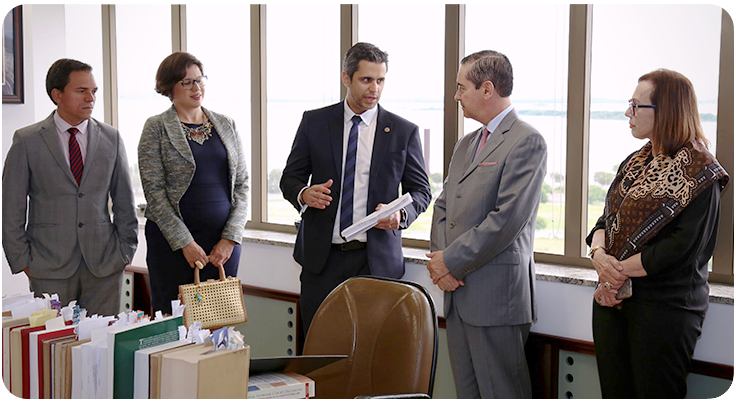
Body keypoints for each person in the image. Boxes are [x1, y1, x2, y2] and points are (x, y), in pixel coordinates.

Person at [587, 69, 729, 399]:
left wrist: (613, 273)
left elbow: (680, 248)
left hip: (664, 311)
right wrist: (598, 256)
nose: (628, 113)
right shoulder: (636, 162)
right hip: (613, 303)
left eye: (636, 106)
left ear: (666, 111)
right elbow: (605, 221)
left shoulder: (701, 170)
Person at [280, 42, 432, 335]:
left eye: (381, 80)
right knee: (320, 346)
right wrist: (303, 193)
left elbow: (421, 192)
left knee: (371, 353)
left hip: (375, 263)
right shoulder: (315, 122)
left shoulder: (403, 131)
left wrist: (400, 216)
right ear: (346, 78)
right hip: (321, 262)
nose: (374, 88)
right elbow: (290, 178)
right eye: (366, 80)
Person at [427, 50, 547, 399]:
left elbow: (506, 221)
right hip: (457, 294)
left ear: (487, 89)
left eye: (461, 87)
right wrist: (439, 262)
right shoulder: (467, 143)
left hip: (497, 299)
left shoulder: (527, 140)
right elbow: (444, 205)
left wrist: (449, 261)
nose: (456, 96)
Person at [0, 59, 138, 316]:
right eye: (81, 90)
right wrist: (25, 263)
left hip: (105, 266)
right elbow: (10, 210)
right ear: (57, 94)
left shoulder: (112, 138)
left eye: (94, 91)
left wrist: (125, 253)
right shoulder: (27, 140)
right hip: (48, 267)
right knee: (53, 347)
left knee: (100, 347)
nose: (91, 98)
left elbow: (124, 204)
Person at [138, 52, 249, 315]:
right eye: (187, 82)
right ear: (169, 87)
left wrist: (230, 238)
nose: (196, 88)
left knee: (219, 322)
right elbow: (154, 192)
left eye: (200, 80)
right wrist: (184, 243)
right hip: (172, 245)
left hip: (222, 247)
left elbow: (242, 185)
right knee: (174, 325)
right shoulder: (156, 127)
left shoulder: (226, 124)